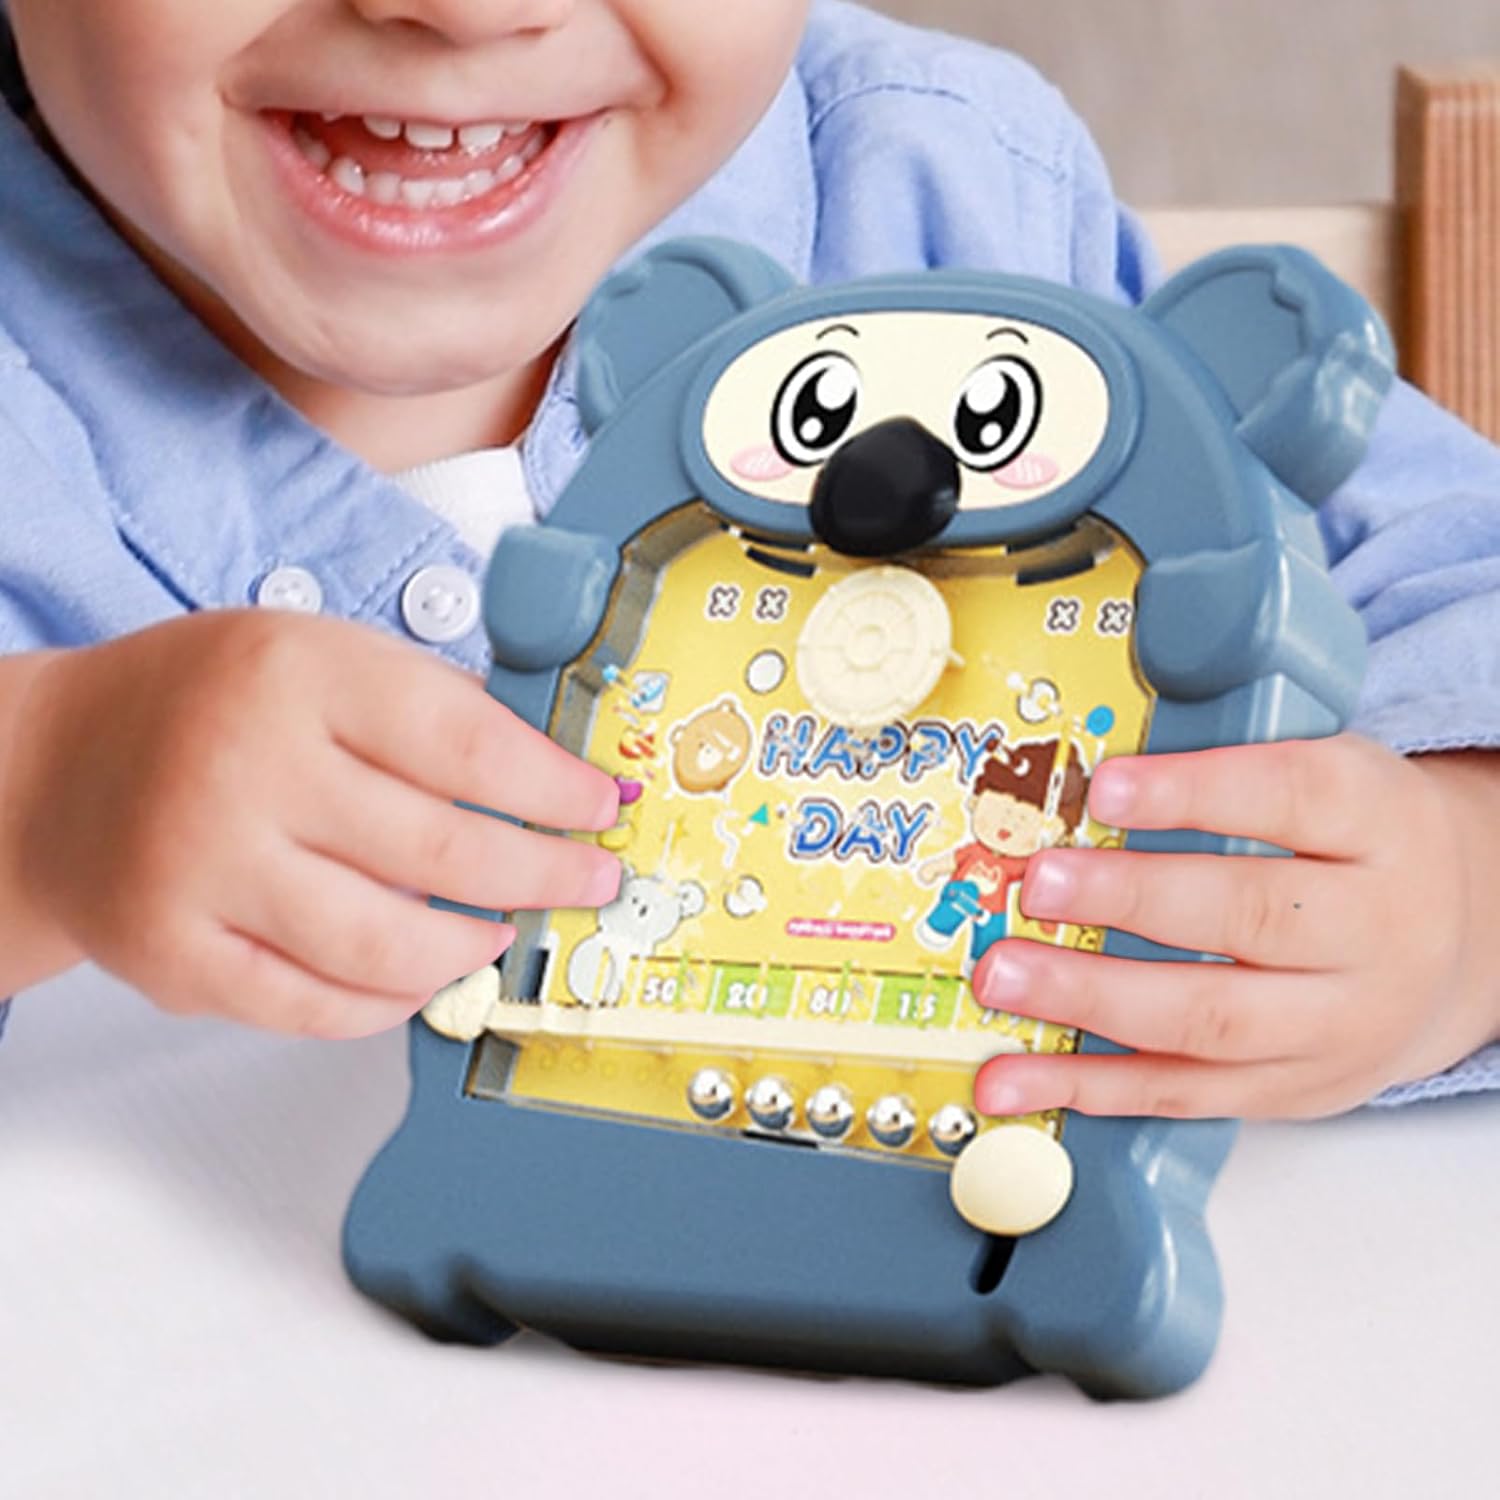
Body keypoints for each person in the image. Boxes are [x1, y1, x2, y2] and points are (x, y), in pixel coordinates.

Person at [0, 0, 1496, 1121]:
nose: (462, 8)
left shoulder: (946, 197)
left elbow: (1460, 582)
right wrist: (47, 797)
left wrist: (1452, 911)